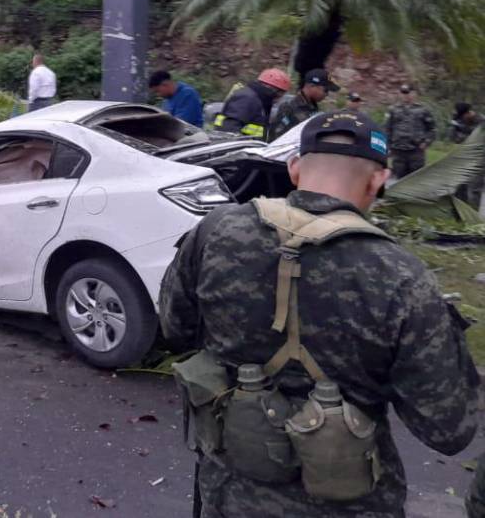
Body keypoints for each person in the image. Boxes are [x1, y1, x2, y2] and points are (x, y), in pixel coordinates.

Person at [160, 109, 478, 518]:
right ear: (380, 179)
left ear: (294, 168)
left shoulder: (214, 232)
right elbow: (447, 430)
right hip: (350, 505)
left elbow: (174, 327)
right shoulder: (401, 276)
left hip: (230, 491)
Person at [212, 68, 291, 139]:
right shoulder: (246, 99)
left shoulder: (260, 101)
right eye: (281, 94)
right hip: (237, 152)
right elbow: (229, 130)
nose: (279, 99)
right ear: (273, 90)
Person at [268, 68, 339, 142]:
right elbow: (276, 138)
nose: (327, 94)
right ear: (312, 86)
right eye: (325, 90)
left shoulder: (312, 107)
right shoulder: (289, 107)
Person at [385, 84, 436, 179]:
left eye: (407, 93)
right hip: (398, 150)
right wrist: (387, 147)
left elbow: (432, 129)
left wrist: (426, 142)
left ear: (414, 94)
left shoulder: (423, 110)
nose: (405, 95)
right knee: (399, 180)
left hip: (416, 151)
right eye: (403, 93)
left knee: (416, 179)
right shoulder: (393, 110)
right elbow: (387, 129)